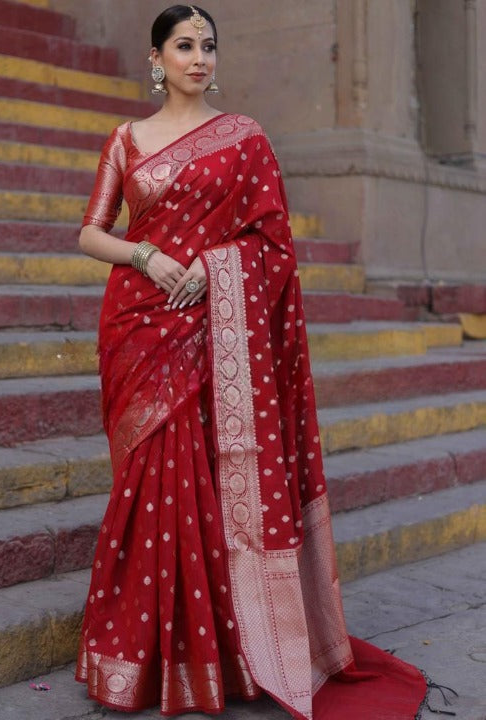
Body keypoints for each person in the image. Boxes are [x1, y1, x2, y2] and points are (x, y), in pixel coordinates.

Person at [75, 5, 431, 719]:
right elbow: (91, 233)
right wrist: (146, 253)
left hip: (213, 328)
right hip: (139, 327)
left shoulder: (245, 141)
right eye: (184, 45)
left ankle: (219, 655)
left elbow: (273, 246)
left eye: (208, 45)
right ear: (157, 58)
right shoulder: (128, 140)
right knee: (149, 484)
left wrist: (214, 268)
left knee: (201, 485)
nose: (198, 57)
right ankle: (138, 656)